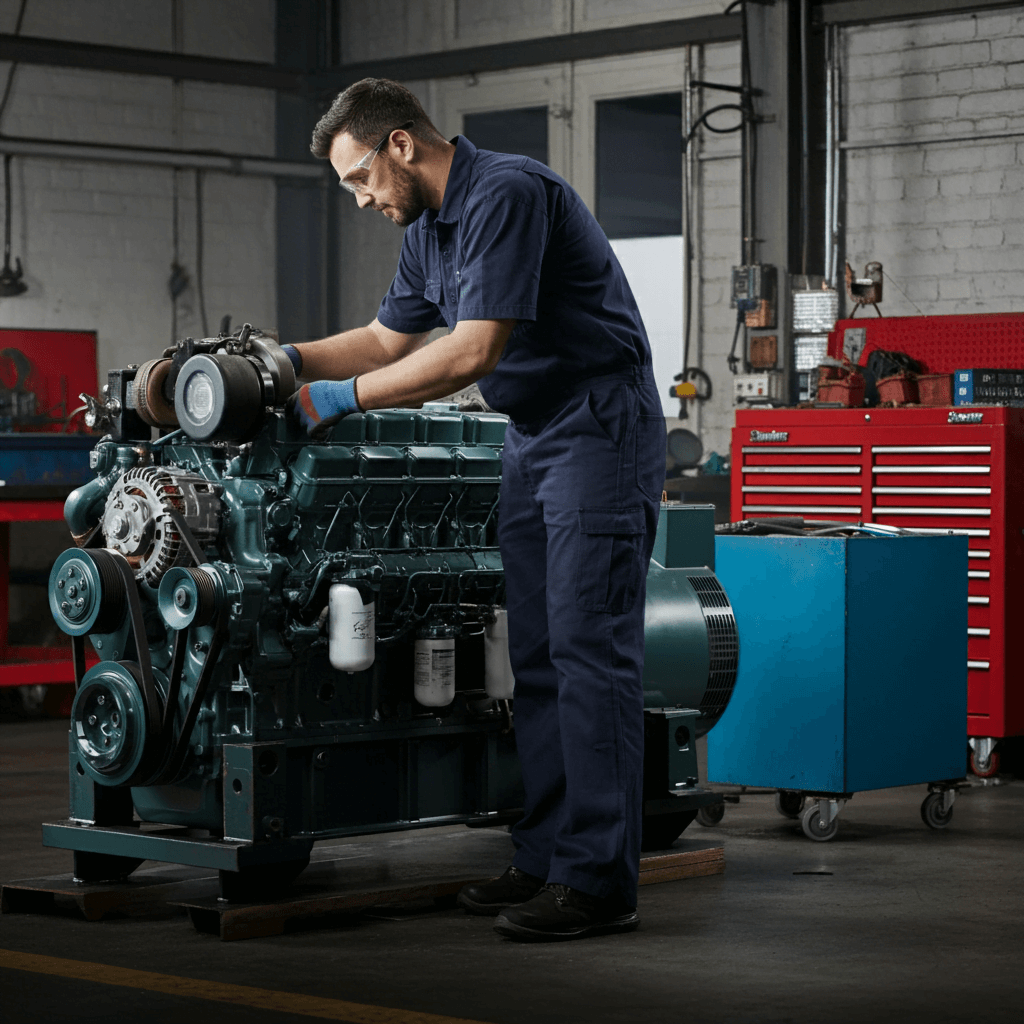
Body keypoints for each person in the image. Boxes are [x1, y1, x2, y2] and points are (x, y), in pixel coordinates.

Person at [286, 78, 664, 942]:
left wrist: (340, 400)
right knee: (533, 656)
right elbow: (383, 340)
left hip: (597, 426)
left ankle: (598, 882)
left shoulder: (506, 193)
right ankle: (546, 856)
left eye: (360, 178)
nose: (362, 199)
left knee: (589, 652)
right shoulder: (427, 229)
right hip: (533, 435)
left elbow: (471, 352)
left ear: (401, 144)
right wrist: (282, 361)